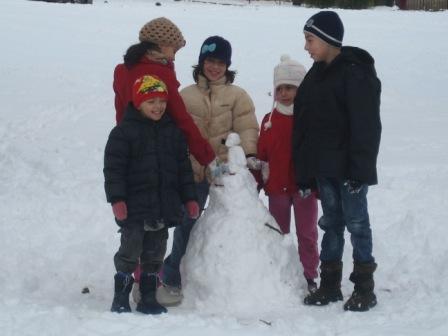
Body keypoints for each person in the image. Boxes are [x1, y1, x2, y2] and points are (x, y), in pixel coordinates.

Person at [158, 35, 259, 305]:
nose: (215, 67)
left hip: (222, 174)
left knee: (224, 225)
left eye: (220, 62)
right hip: (189, 171)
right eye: (210, 61)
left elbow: (247, 125)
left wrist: (249, 154)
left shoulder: (237, 95)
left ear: (228, 66)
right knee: (185, 222)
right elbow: (172, 129)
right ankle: (171, 273)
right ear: (201, 62)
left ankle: (220, 273)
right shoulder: (186, 95)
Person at [292, 11, 382, 312]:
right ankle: (330, 285)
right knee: (331, 223)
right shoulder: (314, 74)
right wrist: (304, 174)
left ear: (329, 39)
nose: (306, 46)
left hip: (349, 170)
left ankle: (364, 288)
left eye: (310, 39)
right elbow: (303, 126)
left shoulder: (356, 73)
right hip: (323, 169)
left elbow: (366, 125)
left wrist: (361, 171)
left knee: (357, 224)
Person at [104, 74, 200, 315]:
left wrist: (189, 198)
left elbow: (183, 170)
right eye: (151, 101)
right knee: (130, 251)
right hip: (134, 209)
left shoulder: (173, 133)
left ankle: (148, 298)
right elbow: (113, 170)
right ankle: (121, 297)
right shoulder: (123, 133)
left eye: (162, 101)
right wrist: (117, 200)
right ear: (138, 103)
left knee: (155, 253)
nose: (158, 107)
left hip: (161, 207)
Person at [113, 17, 215, 167]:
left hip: (130, 147)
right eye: (174, 50)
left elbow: (121, 113)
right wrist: (206, 156)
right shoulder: (161, 73)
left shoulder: (121, 70)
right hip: (158, 149)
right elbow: (182, 119)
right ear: (161, 45)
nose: (174, 57)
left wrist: (122, 143)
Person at [257, 55, 319, 294]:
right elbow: (262, 154)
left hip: (305, 189)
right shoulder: (269, 120)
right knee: (278, 233)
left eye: (290, 88)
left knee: (307, 233)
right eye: (279, 88)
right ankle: (279, 273)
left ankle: (309, 274)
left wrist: (318, 184)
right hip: (276, 189)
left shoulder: (310, 118)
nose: (283, 93)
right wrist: (258, 180)